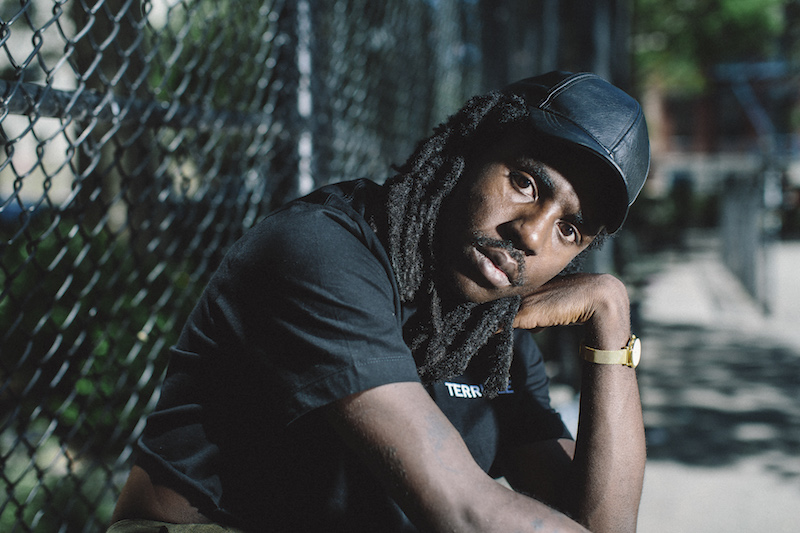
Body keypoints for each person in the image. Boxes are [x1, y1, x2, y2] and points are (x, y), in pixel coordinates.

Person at [109, 71, 650, 533]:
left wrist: (610, 313)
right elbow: (466, 511)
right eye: (526, 183)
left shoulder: (489, 334)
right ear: (474, 148)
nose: (532, 235)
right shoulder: (320, 251)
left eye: (571, 230)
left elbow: (598, 523)